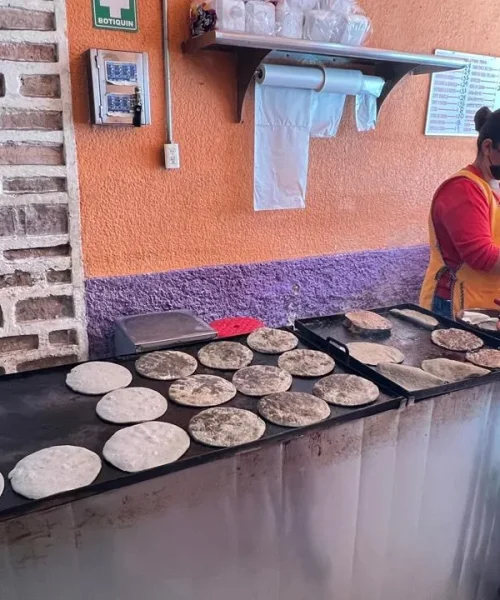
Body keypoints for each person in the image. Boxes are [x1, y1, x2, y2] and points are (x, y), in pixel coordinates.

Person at [420, 106, 500, 319]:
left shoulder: (494, 185)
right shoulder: (463, 190)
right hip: (457, 306)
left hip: (489, 304)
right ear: (488, 147)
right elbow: (482, 256)